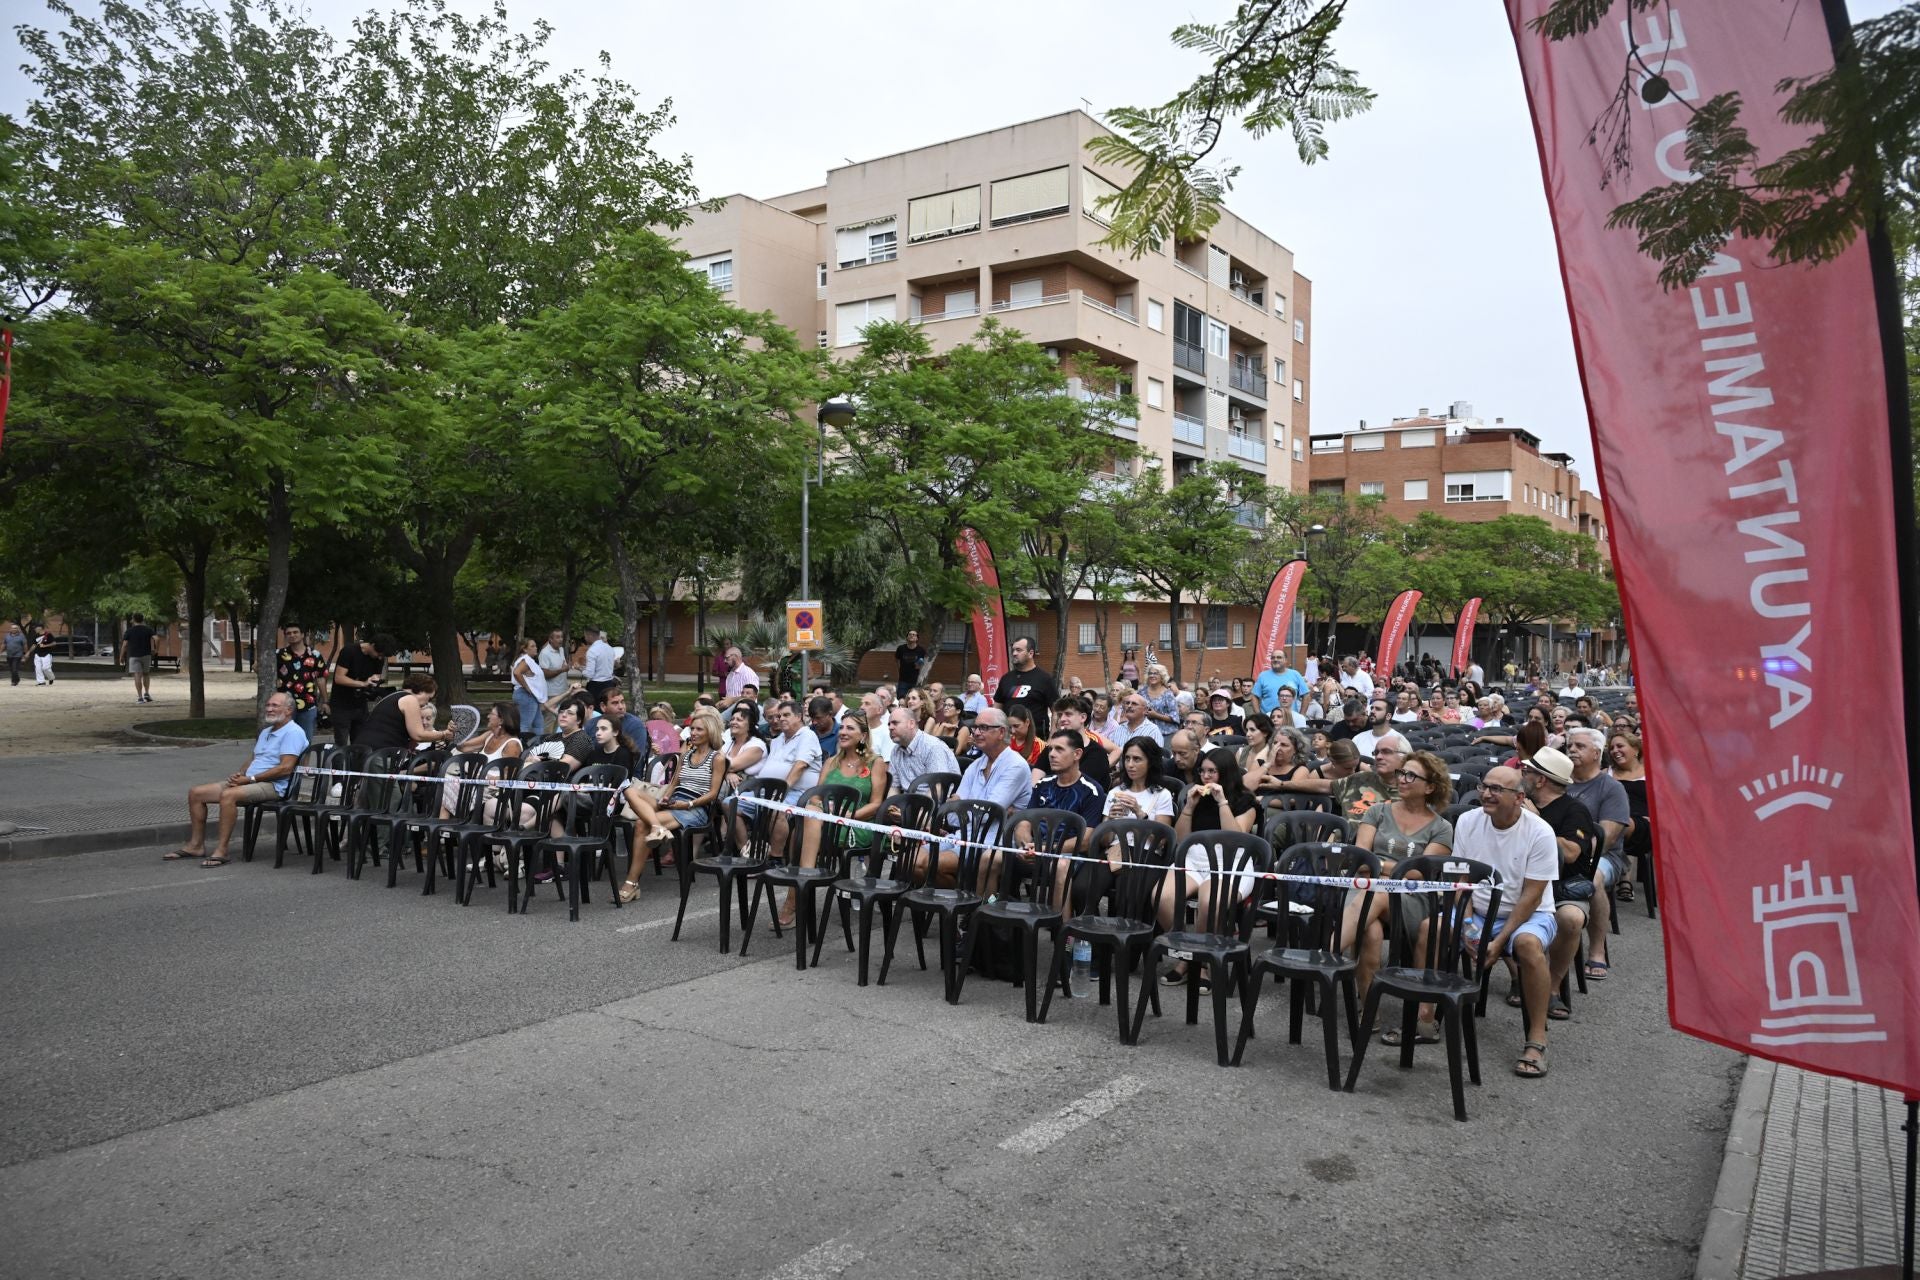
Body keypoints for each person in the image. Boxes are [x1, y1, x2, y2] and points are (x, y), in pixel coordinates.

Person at [1451, 766, 1560, 1079]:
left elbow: (1533, 896)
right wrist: (1471, 926)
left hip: (1528, 913)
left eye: (1497, 789)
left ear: (1519, 798)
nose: (1487, 793)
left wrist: (1498, 942)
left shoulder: (1539, 832)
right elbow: (1462, 880)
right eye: (1485, 786)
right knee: (1431, 929)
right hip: (1478, 909)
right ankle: (1426, 1017)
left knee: (1527, 945)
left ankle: (1537, 1039)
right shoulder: (1468, 821)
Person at [1342, 749, 1454, 1025]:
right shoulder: (1378, 811)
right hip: (1369, 888)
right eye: (1403, 772)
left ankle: (1328, 952)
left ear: (1430, 787)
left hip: (1411, 898)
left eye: (1411, 775)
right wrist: (1397, 867)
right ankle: (1369, 1009)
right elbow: (1362, 858)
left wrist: (1384, 866)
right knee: (1372, 929)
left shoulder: (1441, 828)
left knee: (1377, 894)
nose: (1402, 779)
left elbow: (1418, 873)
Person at [167, 692, 308, 867]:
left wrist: (250, 779)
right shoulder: (266, 731)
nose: (269, 709)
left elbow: (285, 768)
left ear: (288, 710)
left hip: (274, 785)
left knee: (229, 795)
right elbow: (254, 758)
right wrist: (240, 774)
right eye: (268, 705)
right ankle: (196, 845)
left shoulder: (293, 732)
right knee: (196, 793)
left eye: (275, 706)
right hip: (250, 780)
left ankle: (222, 850)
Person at [776, 713, 890, 926]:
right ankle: (805, 878)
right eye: (843, 728)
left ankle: (797, 892)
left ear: (863, 735)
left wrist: (848, 816)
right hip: (826, 821)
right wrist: (822, 808)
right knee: (810, 811)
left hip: (857, 824)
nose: (843, 732)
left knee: (807, 823)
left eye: (850, 729)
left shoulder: (875, 762)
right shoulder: (831, 762)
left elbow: (876, 804)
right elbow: (817, 796)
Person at [1160, 747, 1261, 980]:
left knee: (1209, 902)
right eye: (1203, 771)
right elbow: (1182, 840)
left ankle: (1205, 964)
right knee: (1162, 897)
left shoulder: (1246, 801)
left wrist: (1222, 802)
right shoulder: (1195, 797)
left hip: (1231, 862)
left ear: (1225, 774)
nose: (1205, 777)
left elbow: (1237, 838)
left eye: (1212, 772)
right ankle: (1186, 955)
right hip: (1195, 858)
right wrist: (1189, 808)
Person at [619, 708, 729, 902]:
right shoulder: (685, 755)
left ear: (710, 732)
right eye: (692, 729)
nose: (693, 733)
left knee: (640, 825)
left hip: (695, 808)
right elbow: (674, 783)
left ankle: (631, 883)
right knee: (629, 790)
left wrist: (687, 804)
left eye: (699, 730)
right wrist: (665, 798)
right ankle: (657, 827)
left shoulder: (717, 758)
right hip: (674, 802)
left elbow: (713, 794)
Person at [1520, 746, 1597, 1021]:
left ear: (1540, 779)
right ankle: (1524, 975)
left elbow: (1571, 852)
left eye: (1527, 771)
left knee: (1571, 918)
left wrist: (1538, 822)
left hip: (1562, 887)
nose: (1522, 774)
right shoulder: (1518, 802)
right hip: (1521, 884)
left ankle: (1550, 987)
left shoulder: (1575, 810)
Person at [1564, 726, 1631, 981]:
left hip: (1603, 857)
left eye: (1579, 746)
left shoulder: (1610, 788)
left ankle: (1596, 949)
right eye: (1570, 745)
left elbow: (1608, 837)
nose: (1572, 750)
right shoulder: (1560, 781)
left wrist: (1573, 858)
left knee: (1593, 879)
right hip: (1562, 852)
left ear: (1596, 753)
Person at [439, 703, 525, 818]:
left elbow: (508, 776)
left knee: (445, 788)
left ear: (501, 721)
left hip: (491, 790)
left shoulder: (512, 744)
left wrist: (483, 775)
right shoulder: (489, 735)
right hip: (476, 783)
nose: (488, 716)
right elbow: (463, 747)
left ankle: (442, 832)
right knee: (443, 783)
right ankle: (442, 832)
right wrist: (456, 731)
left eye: (492, 713)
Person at [357, 672, 456, 754]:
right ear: (422, 690)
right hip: (379, 754)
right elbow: (418, 735)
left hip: (363, 750)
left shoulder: (392, 697)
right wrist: (444, 734)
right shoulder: (410, 699)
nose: (427, 703)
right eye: (429, 698)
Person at [325, 632, 391, 748]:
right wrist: (362, 683)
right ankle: (338, 766)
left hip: (360, 705)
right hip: (342, 705)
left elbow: (374, 678)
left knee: (361, 744)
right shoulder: (349, 651)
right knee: (341, 743)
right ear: (372, 645)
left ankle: (357, 766)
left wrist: (374, 684)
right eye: (379, 654)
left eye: (382, 656)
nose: (380, 657)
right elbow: (339, 678)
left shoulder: (378, 659)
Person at [885, 703, 961, 796]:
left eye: (895, 723)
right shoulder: (896, 751)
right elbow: (894, 787)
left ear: (911, 724)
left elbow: (937, 789)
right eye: (889, 724)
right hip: (908, 802)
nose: (890, 727)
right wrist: (891, 807)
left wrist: (920, 811)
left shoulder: (932, 747)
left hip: (937, 804)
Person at [1609, 730, 1649, 902]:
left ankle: (1618, 876)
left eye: (1620, 746)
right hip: (1612, 821)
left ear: (1635, 749)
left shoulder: (1651, 773)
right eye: (1611, 748)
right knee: (1615, 823)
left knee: (1621, 823)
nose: (1615, 750)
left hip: (1644, 825)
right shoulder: (1606, 773)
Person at [993, 636, 1059, 738]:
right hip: (1008, 740)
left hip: (1036, 740)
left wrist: (1052, 738)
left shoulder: (1045, 679)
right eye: (1013, 650)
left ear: (1031, 653)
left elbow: (1056, 712)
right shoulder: (1006, 678)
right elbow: (997, 710)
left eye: (1019, 650)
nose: (1014, 653)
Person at [1102, 735, 1176, 825]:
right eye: (1127, 758)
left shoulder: (1162, 796)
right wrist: (1109, 819)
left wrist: (1139, 813)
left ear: (1150, 762)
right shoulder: (1114, 793)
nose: (1130, 765)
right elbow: (1104, 839)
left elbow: (1160, 839)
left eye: (1137, 759)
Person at [274, 624, 329, 743]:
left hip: (308, 705)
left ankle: (303, 763)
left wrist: (325, 701)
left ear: (302, 635)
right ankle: (287, 762)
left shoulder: (315, 655)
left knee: (305, 742)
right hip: (285, 705)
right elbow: (261, 669)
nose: (292, 635)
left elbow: (320, 679)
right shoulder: (279, 655)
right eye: (288, 633)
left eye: (295, 632)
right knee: (284, 741)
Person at [1049, 695, 1111, 790]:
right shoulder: (1051, 749)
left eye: (1068, 714)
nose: (1062, 719)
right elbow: (1035, 781)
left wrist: (1108, 764)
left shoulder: (1096, 753)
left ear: (1083, 717)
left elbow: (1078, 790)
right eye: (1060, 715)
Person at [1249, 725, 1316, 797]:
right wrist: (1267, 764)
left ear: (1296, 750)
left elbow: (1292, 799)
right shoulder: (1259, 764)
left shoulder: (1300, 770)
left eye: (1284, 745)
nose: (1277, 748)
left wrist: (1262, 800)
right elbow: (1245, 788)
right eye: (1275, 743)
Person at [1251, 649, 1310, 715]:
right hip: (1269, 720)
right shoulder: (1262, 676)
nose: (1275, 659)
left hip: (1291, 719)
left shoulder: (1295, 675)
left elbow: (1306, 695)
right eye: (1273, 658)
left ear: (1286, 660)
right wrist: (1260, 716)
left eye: (1279, 657)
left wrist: (1301, 715)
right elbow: (1254, 696)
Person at [510, 638, 547, 739]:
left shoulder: (529, 660)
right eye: (532, 646)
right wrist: (527, 687)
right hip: (526, 696)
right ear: (525, 649)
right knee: (525, 725)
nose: (536, 648)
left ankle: (538, 746)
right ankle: (521, 746)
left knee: (538, 724)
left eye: (535, 646)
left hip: (531, 696)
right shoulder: (525, 660)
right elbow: (517, 672)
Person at [119, 613, 158, 704]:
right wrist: (155, 650)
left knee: (137, 675)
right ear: (142, 619)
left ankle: (140, 697)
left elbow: (124, 645)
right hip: (146, 655)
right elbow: (157, 639)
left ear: (133, 619)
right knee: (146, 674)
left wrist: (121, 656)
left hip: (134, 655)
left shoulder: (129, 631)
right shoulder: (148, 629)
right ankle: (147, 693)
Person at [1141, 663, 1181, 739]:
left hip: (1166, 734)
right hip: (1146, 734)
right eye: (1150, 673)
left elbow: (1175, 717)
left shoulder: (1168, 694)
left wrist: (1156, 715)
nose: (1152, 676)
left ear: (1162, 676)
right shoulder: (1142, 692)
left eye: (1156, 673)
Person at [580, 626, 617, 705]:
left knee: (595, 710)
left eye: (585, 636)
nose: (585, 638)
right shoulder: (609, 648)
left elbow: (589, 674)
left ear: (590, 636)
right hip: (609, 684)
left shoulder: (592, 651)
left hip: (596, 686)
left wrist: (580, 669)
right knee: (608, 708)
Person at [717, 645, 760, 712]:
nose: (725, 661)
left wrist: (731, 700)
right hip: (732, 713)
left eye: (727, 658)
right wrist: (723, 703)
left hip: (747, 713)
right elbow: (729, 697)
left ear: (735, 657)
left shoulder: (748, 674)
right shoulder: (730, 675)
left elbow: (751, 697)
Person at [1006, 703, 1046, 767]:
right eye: (1010, 727)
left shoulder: (1038, 745)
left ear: (1027, 722)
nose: (1012, 731)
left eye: (1016, 726)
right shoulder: (1005, 742)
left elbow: (1036, 772)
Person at [894, 630, 928, 694]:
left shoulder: (921, 650)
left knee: (914, 698)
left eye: (914, 635)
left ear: (917, 638)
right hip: (903, 680)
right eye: (910, 634)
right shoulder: (901, 648)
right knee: (901, 698)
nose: (911, 635)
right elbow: (897, 660)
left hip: (915, 680)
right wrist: (899, 670)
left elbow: (921, 664)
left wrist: (919, 665)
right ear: (907, 637)